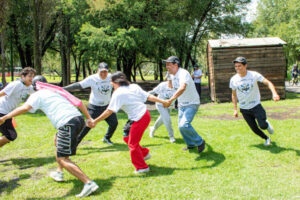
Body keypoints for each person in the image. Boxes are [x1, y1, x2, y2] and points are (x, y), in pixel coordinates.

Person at [0, 76, 99, 198]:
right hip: (77, 120)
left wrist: (5, 117)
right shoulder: (55, 92)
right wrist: (88, 118)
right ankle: (59, 172)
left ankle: (88, 183)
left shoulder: (38, 94)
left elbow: (24, 108)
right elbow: (78, 102)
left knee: (63, 158)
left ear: (35, 86)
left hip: (67, 123)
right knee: (57, 140)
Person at [89, 71, 167, 174]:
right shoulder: (133, 86)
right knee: (127, 138)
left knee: (132, 144)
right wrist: (163, 101)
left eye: (111, 83)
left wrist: (95, 121)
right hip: (140, 116)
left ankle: (142, 167)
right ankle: (144, 154)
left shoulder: (119, 93)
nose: (111, 85)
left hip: (140, 118)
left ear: (115, 82)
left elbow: (109, 111)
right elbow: (148, 97)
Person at [230, 57, 280, 146]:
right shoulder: (233, 79)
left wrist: (274, 93)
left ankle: (266, 124)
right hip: (244, 108)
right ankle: (266, 138)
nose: (237, 68)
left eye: (240, 66)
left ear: (245, 66)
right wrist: (235, 109)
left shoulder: (254, 75)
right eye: (236, 66)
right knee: (254, 128)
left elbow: (268, 82)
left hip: (256, 105)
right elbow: (234, 94)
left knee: (263, 126)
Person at [63, 62, 118, 145]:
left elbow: (121, 84)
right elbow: (78, 85)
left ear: (108, 71)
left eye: (105, 72)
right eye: (101, 72)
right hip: (94, 107)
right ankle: (75, 143)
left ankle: (107, 138)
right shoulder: (92, 78)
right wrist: (64, 89)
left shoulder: (111, 77)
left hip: (107, 106)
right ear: (97, 71)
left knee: (114, 123)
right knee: (88, 125)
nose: (103, 74)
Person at [163, 56, 205, 153]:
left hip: (192, 103)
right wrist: (169, 78)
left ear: (176, 64)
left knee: (184, 125)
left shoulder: (183, 73)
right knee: (181, 127)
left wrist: (171, 100)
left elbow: (182, 88)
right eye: (166, 64)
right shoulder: (172, 75)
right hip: (182, 104)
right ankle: (191, 144)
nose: (167, 66)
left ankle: (200, 141)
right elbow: (171, 87)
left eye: (169, 64)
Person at [0, 67, 36, 148]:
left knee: (9, 135)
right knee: (10, 135)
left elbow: (38, 94)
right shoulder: (16, 84)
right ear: (23, 77)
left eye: (33, 76)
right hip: (1, 111)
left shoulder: (29, 87)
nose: (32, 78)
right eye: (30, 76)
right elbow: (2, 93)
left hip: (7, 113)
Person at [148, 75, 176, 143]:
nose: (171, 82)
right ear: (167, 79)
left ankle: (153, 129)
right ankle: (171, 136)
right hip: (160, 104)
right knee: (167, 119)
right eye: (170, 80)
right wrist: (142, 95)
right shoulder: (162, 85)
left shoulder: (177, 87)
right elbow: (153, 92)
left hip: (169, 106)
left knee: (162, 119)